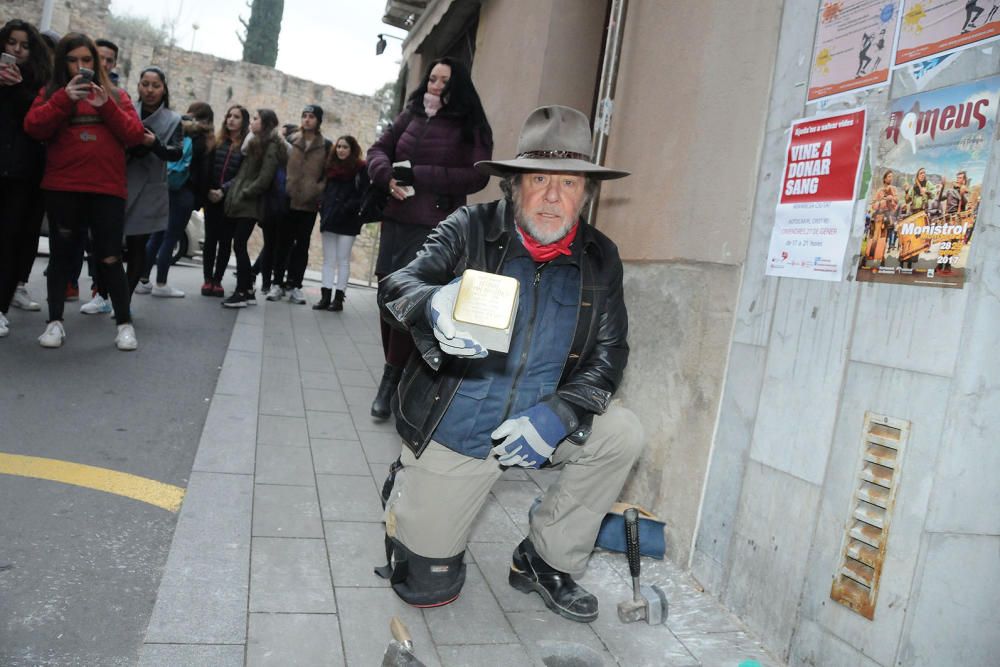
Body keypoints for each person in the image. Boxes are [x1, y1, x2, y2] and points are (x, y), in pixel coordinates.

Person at [375, 105, 643, 623]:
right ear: (513, 185)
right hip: (459, 425)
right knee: (426, 586)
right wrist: (432, 306)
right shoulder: (470, 227)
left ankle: (545, 560)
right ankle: (411, 488)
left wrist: (561, 415)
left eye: (568, 183)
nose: (551, 196)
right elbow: (398, 283)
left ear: (586, 194)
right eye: (538, 178)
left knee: (621, 433)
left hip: (538, 421)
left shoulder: (600, 255)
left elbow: (611, 352)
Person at [367, 56, 493, 419]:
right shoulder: (410, 115)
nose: (435, 87)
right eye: (432, 79)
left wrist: (418, 174)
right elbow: (378, 149)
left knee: (412, 300)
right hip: (396, 219)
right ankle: (399, 372)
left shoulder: (472, 124)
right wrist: (386, 175)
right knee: (387, 295)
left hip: (435, 227)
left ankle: (391, 382)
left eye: (443, 81)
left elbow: (478, 175)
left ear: (458, 86)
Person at [24, 32, 146, 349]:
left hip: (106, 189)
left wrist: (106, 106)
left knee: (109, 257)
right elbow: (34, 126)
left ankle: (124, 325)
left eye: (87, 60)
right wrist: (65, 98)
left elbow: (135, 135)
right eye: (73, 60)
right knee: (62, 256)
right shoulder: (52, 93)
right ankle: (55, 323)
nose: (81, 66)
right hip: (63, 187)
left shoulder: (117, 96)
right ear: (63, 62)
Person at [0, 18, 51, 337]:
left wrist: (17, 87)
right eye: (12, 43)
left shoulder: (37, 81)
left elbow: (39, 120)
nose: (17, 50)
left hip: (20, 174)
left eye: (24, 45)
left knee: (8, 241)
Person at [140, 102, 214, 297]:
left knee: (156, 235)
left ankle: (143, 279)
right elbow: (204, 173)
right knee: (171, 237)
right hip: (185, 192)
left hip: (167, 186)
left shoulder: (177, 128)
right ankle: (161, 284)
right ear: (207, 119)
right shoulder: (202, 139)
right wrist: (201, 198)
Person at [221, 108, 287, 307]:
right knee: (239, 244)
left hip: (250, 204)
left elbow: (264, 178)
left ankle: (242, 291)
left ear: (265, 123)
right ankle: (248, 290)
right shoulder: (256, 142)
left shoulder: (272, 146)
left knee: (239, 245)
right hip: (243, 202)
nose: (252, 122)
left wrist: (245, 193)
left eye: (256, 119)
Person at [127, 66, 183, 297]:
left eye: (156, 85)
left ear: (164, 89)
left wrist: (155, 145)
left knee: (138, 244)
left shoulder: (173, 120)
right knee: (106, 243)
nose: (150, 90)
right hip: (120, 179)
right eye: (145, 84)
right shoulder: (127, 110)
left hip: (150, 186)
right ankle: (102, 294)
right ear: (139, 85)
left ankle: (124, 299)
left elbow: (176, 153)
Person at [267, 104, 329, 305]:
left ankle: (295, 285)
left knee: (302, 246)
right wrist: (284, 187)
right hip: (288, 199)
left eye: (311, 116)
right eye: (304, 116)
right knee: (282, 244)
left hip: (309, 204)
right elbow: (279, 166)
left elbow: (327, 173)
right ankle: (277, 283)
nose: (307, 120)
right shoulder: (291, 141)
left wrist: (317, 190)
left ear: (318, 120)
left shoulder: (326, 145)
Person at [316, 135, 368, 311]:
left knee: (343, 259)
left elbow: (363, 194)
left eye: (345, 147)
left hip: (348, 220)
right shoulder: (330, 167)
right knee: (328, 260)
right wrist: (322, 207)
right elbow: (324, 191)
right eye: (338, 147)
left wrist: (347, 207)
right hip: (329, 218)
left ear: (352, 150)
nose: (341, 150)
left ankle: (338, 299)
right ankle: (325, 297)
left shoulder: (360, 168)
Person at [202, 104, 249, 296]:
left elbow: (242, 175)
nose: (231, 119)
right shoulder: (216, 142)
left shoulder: (246, 147)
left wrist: (223, 190)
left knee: (225, 242)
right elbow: (208, 167)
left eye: (236, 117)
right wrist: (210, 190)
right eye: (229, 116)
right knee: (210, 240)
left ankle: (218, 280)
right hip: (211, 198)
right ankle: (207, 279)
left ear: (243, 121)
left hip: (230, 200)